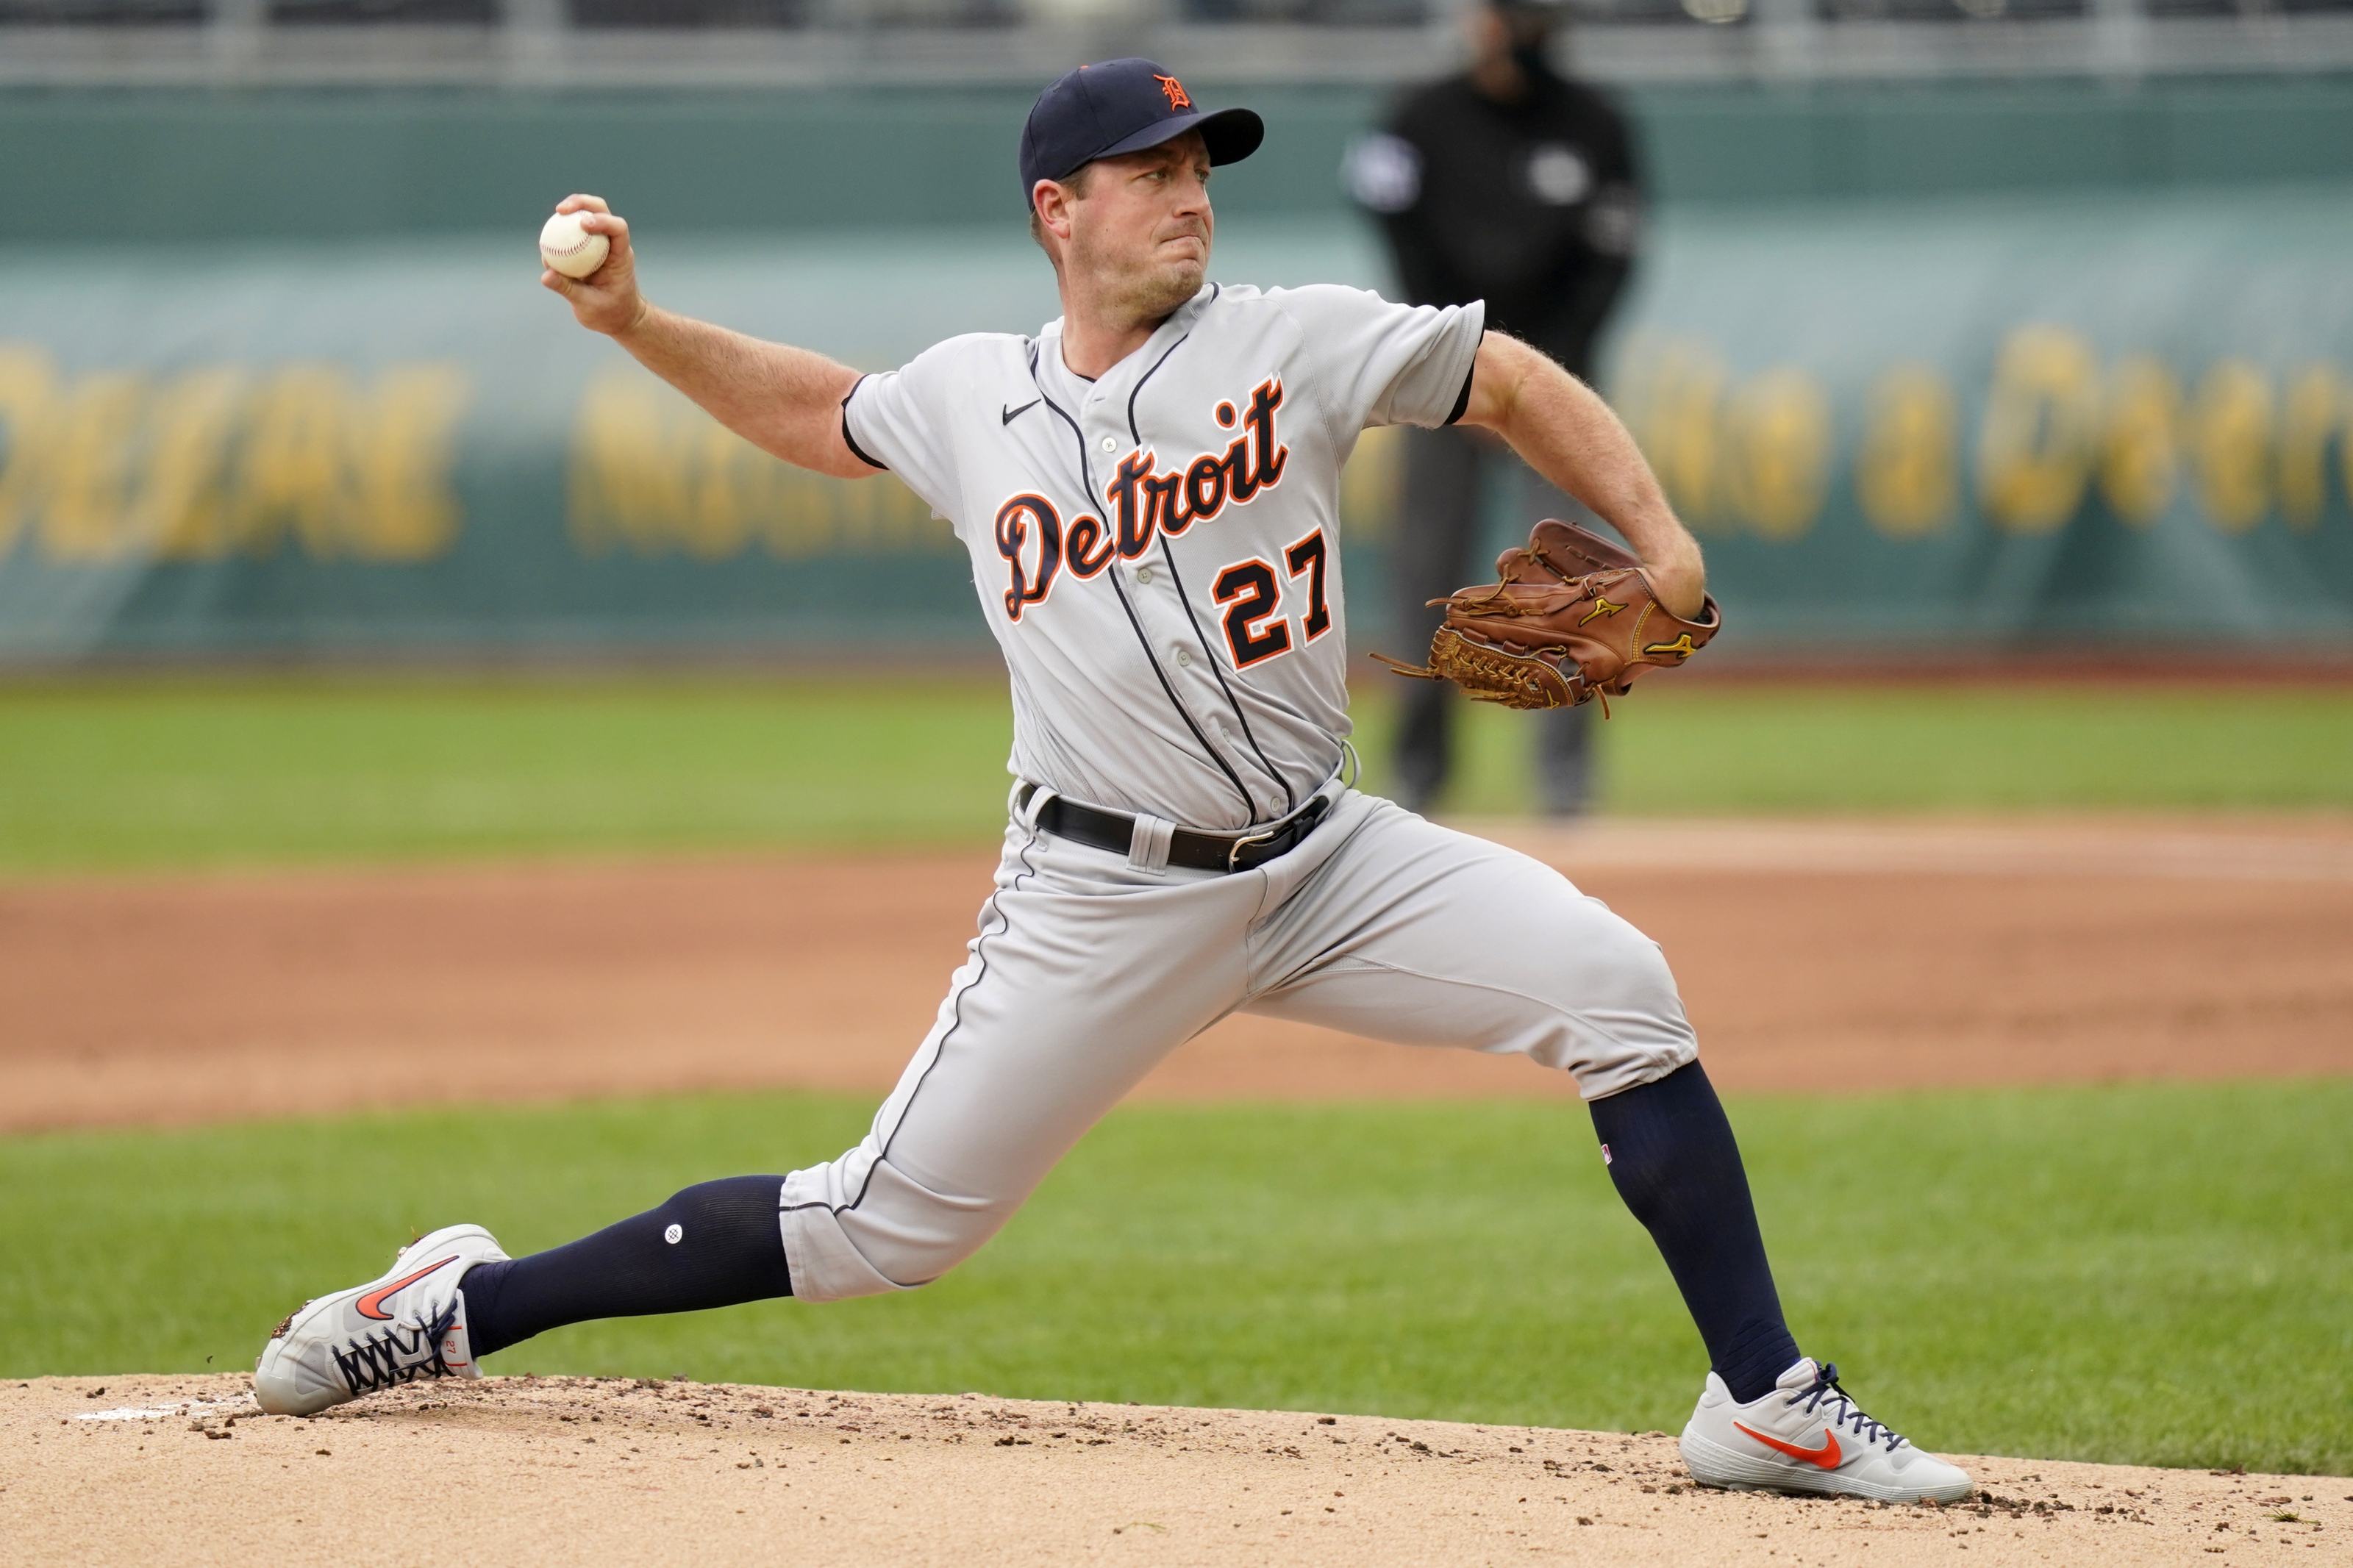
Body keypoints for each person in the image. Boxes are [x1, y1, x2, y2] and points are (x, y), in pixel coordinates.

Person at [253, 58, 1971, 1504]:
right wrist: (632, 322)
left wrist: (1660, 541)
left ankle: (1762, 1395)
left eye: (1199, 165)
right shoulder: (969, 397)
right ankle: (459, 1301)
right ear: (1055, 209)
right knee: (878, 1228)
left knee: (1620, 985)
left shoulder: (1293, 338)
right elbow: (813, 412)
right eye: (1147, 171)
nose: (1189, 194)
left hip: (1328, 862)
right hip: (1100, 893)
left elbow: (1503, 373)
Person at [1347, 0, 1640, 817]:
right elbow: (1395, 229)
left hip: (1556, 387)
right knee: (1426, 582)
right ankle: (1418, 775)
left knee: (1576, 586)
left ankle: (1564, 783)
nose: (1507, 32)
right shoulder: (1420, 116)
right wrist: (1460, 363)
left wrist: (1536, 377)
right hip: (1440, 380)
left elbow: (1612, 258)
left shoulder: (1595, 122)